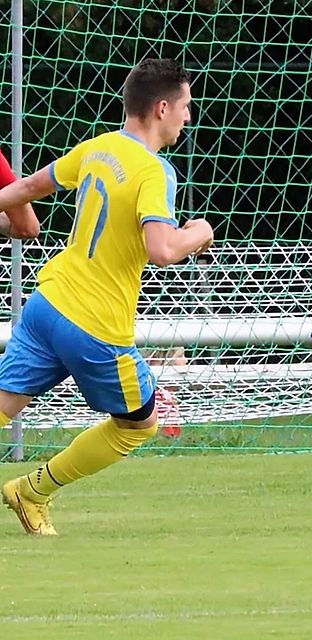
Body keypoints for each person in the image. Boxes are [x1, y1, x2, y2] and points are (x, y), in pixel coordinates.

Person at [0, 58, 214, 535]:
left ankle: (29, 493)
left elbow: (32, 186)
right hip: (95, 326)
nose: (188, 117)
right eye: (185, 107)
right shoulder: (155, 172)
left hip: (47, 302)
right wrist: (198, 231)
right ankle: (32, 491)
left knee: (4, 404)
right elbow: (161, 250)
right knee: (141, 424)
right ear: (162, 108)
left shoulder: (98, 148)